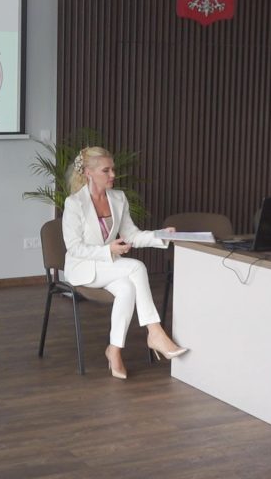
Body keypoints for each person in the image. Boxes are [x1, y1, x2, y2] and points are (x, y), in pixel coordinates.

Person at [61, 146, 187, 379]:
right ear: (88, 172)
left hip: (109, 267)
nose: (113, 175)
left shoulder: (118, 198)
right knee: (137, 267)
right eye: (106, 170)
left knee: (127, 289)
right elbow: (74, 247)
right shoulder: (74, 203)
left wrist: (161, 235)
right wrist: (108, 250)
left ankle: (114, 349)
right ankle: (155, 331)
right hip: (83, 268)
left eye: (113, 169)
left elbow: (131, 236)